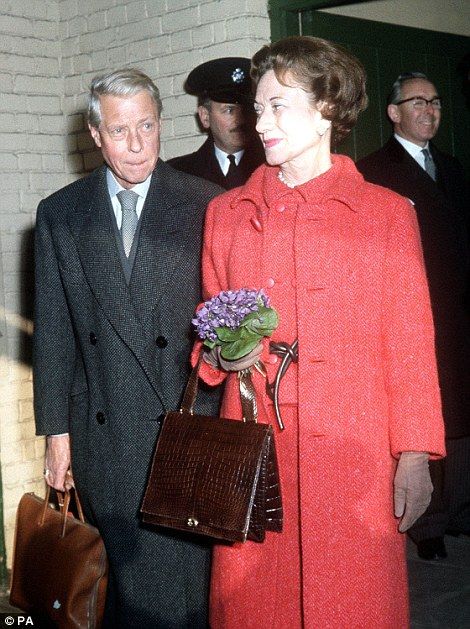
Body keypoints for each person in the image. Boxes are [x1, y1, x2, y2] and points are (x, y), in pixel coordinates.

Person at [192, 37, 446, 628]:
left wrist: (413, 456)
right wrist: (222, 354)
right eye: (257, 108)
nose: (261, 122)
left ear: (327, 107)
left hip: (354, 448)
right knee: (255, 604)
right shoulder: (227, 215)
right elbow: (207, 329)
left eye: (279, 105)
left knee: (354, 602)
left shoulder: (387, 214)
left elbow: (410, 343)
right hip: (256, 449)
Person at [33, 68, 222, 628]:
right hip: (104, 431)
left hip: (185, 432)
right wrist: (56, 437)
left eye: (147, 126)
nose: (136, 144)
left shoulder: (207, 203)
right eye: (119, 131)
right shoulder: (61, 214)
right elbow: (54, 333)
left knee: (184, 593)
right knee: (123, 590)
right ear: (95, 135)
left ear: (162, 124)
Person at [357, 72, 470, 561]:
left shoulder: (454, 168)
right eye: (417, 101)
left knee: (462, 414)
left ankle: (463, 510)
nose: (430, 110)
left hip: (459, 312)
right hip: (410, 310)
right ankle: (427, 526)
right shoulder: (372, 172)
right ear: (393, 112)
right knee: (420, 415)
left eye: (436, 101)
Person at [168, 57, 265, 189]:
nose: (240, 120)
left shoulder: (274, 166)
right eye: (229, 110)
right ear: (205, 117)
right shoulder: (178, 174)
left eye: (246, 109)